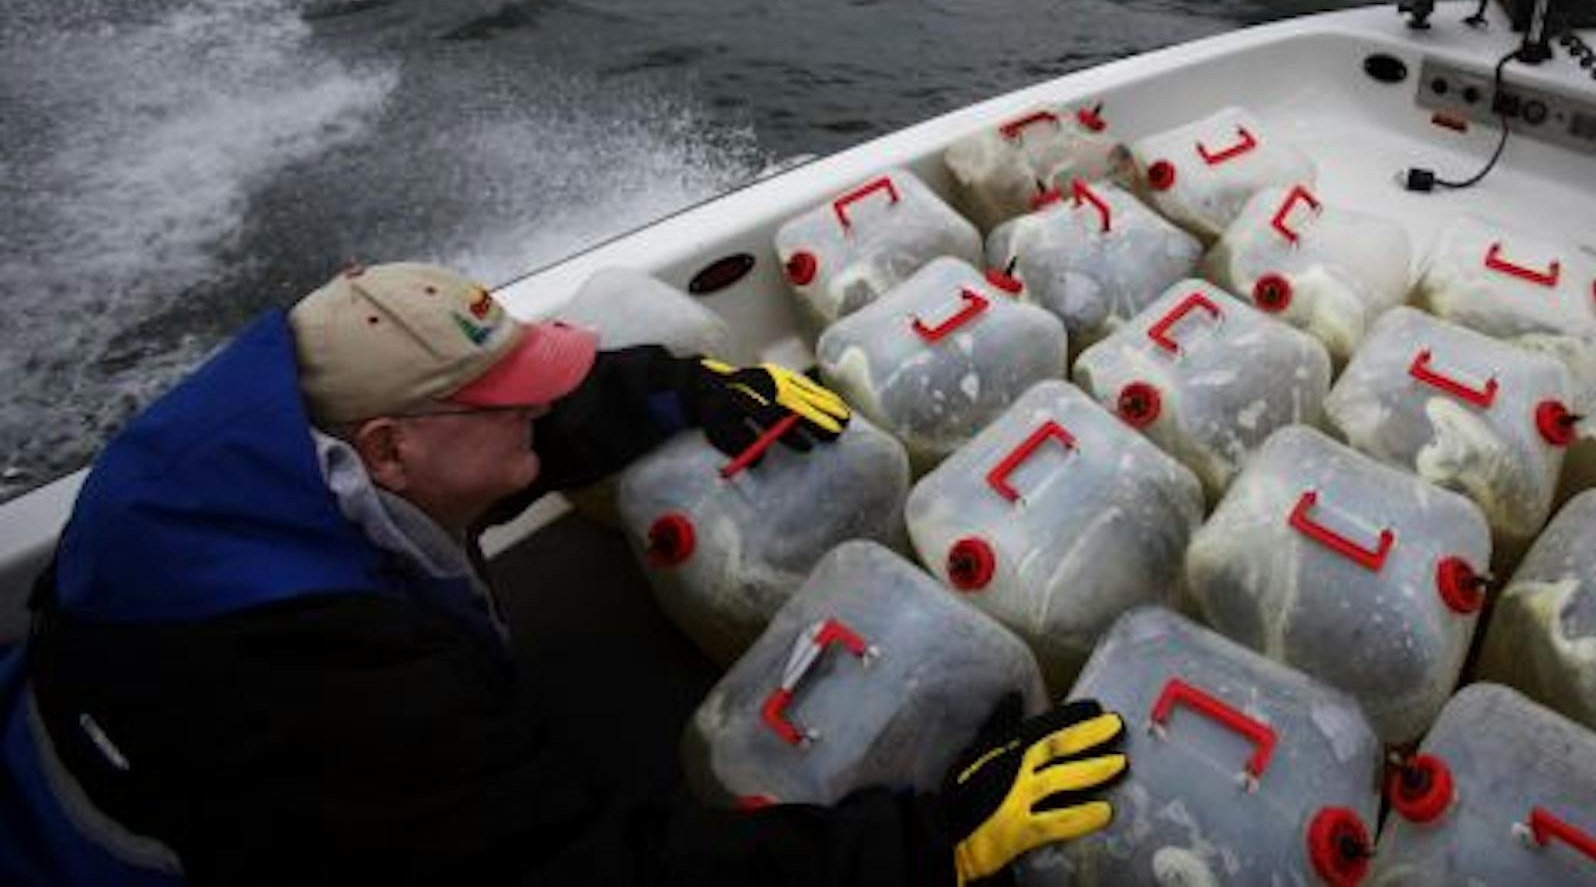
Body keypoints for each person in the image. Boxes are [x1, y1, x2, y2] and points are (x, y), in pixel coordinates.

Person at [1, 262, 1127, 885]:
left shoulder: (251, 440)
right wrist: (933, 843)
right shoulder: (345, 689)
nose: (540, 402)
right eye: (511, 399)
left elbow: (524, 414)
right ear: (387, 450)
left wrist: (677, 388)